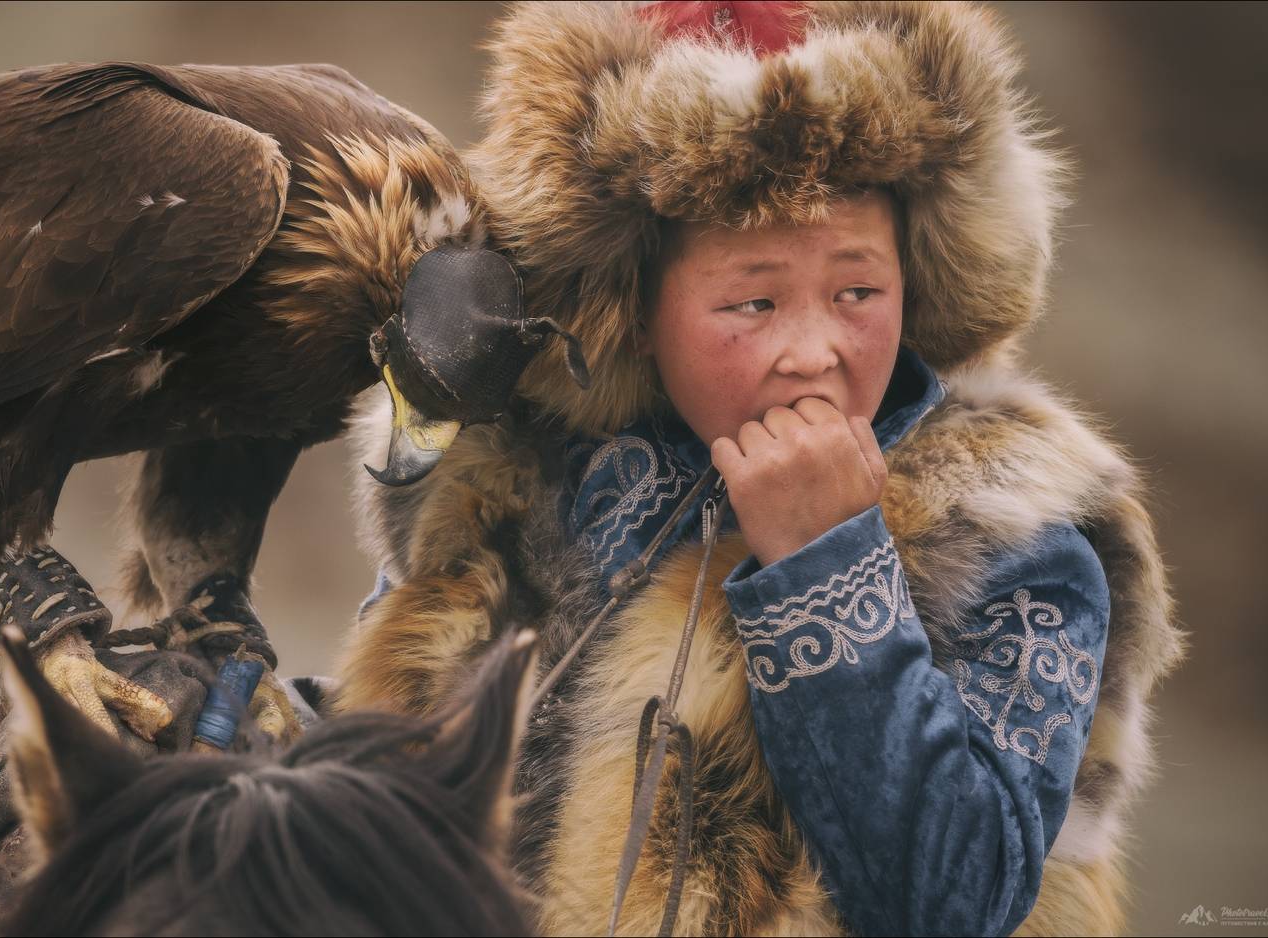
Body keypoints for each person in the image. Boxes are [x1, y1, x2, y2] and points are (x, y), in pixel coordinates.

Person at [335, 2, 1186, 935]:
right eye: (753, 301)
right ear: (633, 309)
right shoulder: (511, 479)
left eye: (859, 290)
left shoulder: (1012, 529)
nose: (816, 351)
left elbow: (957, 899)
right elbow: (387, 810)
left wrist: (826, 565)